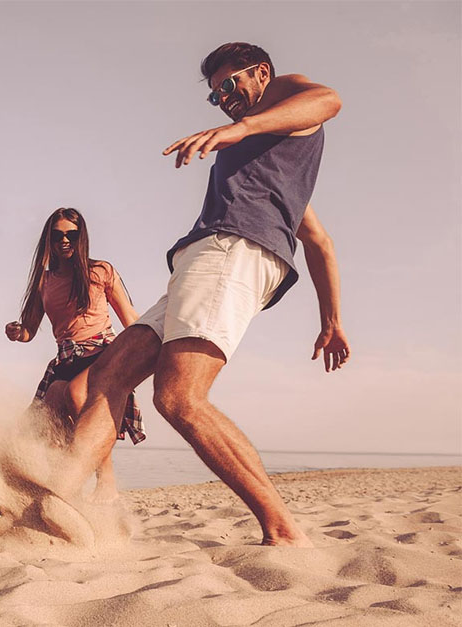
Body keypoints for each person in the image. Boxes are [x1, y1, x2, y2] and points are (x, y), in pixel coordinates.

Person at [66, 42, 349, 546]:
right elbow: (319, 241)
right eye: (216, 95)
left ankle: (282, 530)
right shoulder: (276, 163)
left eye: (230, 84)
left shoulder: (283, 109)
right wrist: (331, 321)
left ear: (261, 73)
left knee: (179, 397)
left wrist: (239, 127)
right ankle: (60, 496)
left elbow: (329, 98)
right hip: (207, 258)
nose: (224, 99)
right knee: (110, 374)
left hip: (231, 249)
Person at [5, 207, 145, 502]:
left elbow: (130, 317)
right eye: (57, 236)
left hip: (102, 353)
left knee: (77, 395)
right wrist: (18, 332)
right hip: (65, 358)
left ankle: (106, 478)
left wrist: (152, 348)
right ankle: (60, 484)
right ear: (49, 240)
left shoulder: (100, 271)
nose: (64, 241)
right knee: (44, 417)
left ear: (81, 237)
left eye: (71, 235)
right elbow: (29, 329)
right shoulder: (44, 282)